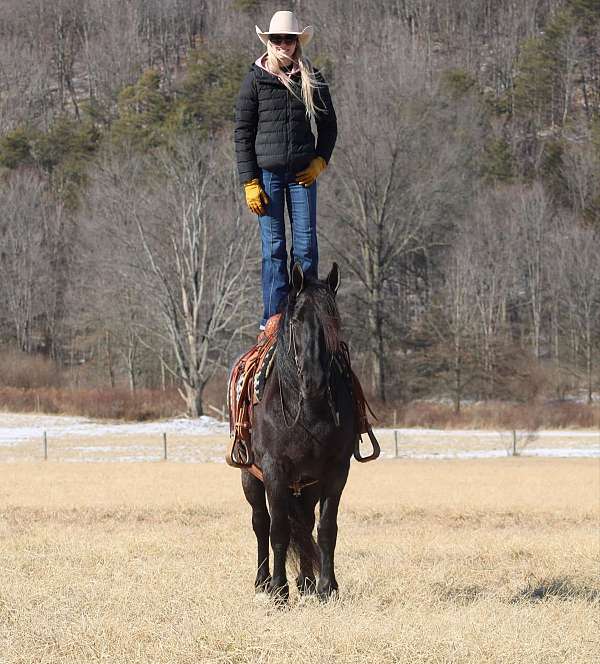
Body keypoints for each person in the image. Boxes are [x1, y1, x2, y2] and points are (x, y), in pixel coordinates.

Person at [234, 10, 337, 334]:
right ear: (269, 41)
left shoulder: (311, 76)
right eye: (277, 39)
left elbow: (328, 126)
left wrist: (320, 160)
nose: (283, 45)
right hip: (268, 176)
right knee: (274, 248)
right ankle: (274, 316)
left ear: (296, 42)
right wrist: (250, 182)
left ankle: (306, 313)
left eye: (289, 40)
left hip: (301, 176)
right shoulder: (255, 79)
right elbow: (242, 133)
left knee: (306, 246)